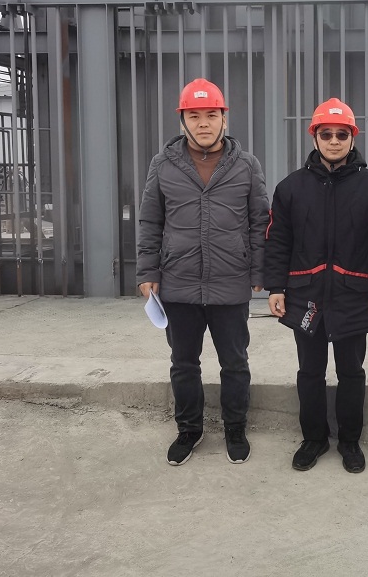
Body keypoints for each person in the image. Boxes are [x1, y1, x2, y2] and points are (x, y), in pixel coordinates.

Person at [137, 78, 269, 467]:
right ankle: (189, 430)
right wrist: (147, 270)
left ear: (224, 118)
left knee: (235, 363)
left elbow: (260, 221)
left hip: (231, 280)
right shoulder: (163, 165)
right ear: (183, 121)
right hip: (179, 282)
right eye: (194, 116)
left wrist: (259, 270)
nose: (203, 123)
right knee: (183, 363)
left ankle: (235, 428)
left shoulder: (246, 165)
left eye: (211, 115)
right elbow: (150, 222)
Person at [264, 99, 368, 473]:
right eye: (327, 134)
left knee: (351, 372)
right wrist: (276, 287)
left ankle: (350, 442)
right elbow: (277, 242)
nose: (334, 141)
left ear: (353, 137)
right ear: (315, 137)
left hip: (354, 295)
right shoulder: (290, 188)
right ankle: (314, 439)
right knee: (310, 371)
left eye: (342, 134)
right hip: (305, 296)